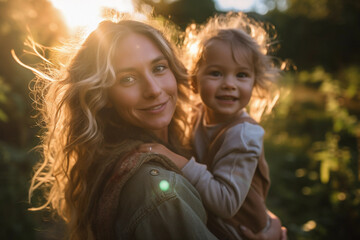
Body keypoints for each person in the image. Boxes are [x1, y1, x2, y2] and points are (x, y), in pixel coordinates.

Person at [19, 15, 219, 240]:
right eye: (128, 79)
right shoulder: (158, 188)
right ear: (103, 96)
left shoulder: (186, 144)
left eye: (159, 67)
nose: (153, 89)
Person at [140, 12, 287, 240]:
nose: (229, 84)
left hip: (242, 232)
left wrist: (178, 161)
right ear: (195, 81)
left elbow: (227, 203)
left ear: (254, 82)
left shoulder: (243, 134)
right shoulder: (196, 114)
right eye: (216, 73)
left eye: (241, 75)